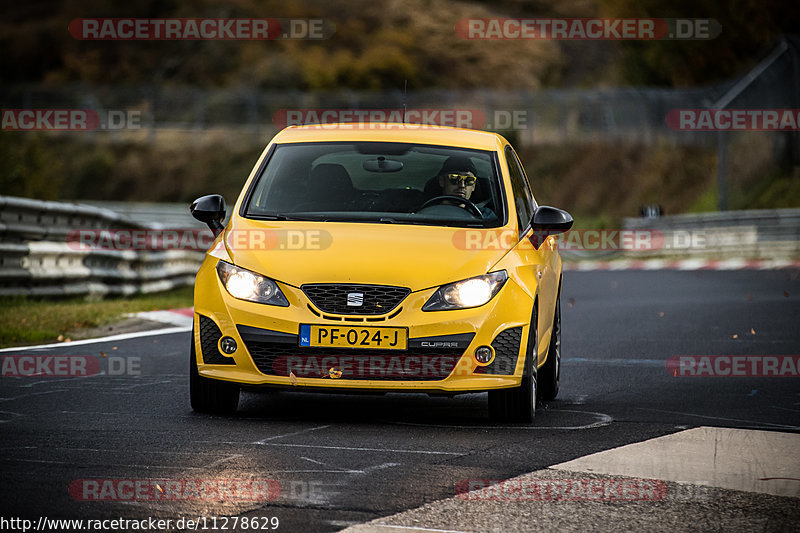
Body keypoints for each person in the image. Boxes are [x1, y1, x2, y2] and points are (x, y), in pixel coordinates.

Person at [436, 156, 497, 221]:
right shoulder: (426, 214)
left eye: (469, 180)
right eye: (455, 178)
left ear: (473, 186)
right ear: (442, 181)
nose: (462, 185)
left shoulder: (485, 217)